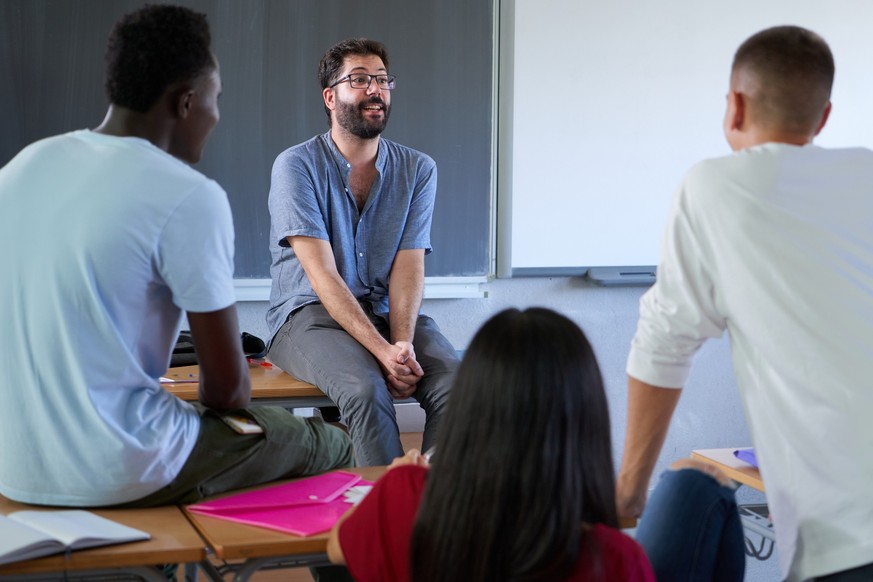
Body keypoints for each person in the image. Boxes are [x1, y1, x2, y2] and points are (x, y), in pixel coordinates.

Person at [0, 4, 352, 508]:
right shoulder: (187, 194)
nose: (217, 115)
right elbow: (227, 392)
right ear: (185, 102)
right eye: (216, 98)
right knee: (329, 442)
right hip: (119, 467)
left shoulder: (22, 167)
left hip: (14, 464)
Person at [617, 25, 873, 582]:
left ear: (734, 106)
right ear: (823, 117)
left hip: (850, 539)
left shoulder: (715, 186)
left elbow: (664, 344)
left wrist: (629, 494)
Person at [326, 308, 744, 582]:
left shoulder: (404, 500)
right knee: (698, 483)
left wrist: (396, 481)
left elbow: (336, 546)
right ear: (584, 424)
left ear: (469, 409)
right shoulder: (612, 561)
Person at [266, 38, 459, 466]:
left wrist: (402, 343)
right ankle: (384, 521)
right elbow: (323, 276)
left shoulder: (418, 169)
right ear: (330, 97)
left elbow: (409, 266)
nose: (375, 89)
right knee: (365, 390)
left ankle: (434, 510)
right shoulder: (296, 166)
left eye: (382, 80)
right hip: (309, 314)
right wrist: (382, 351)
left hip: (388, 313)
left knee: (457, 388)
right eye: (359, 80)